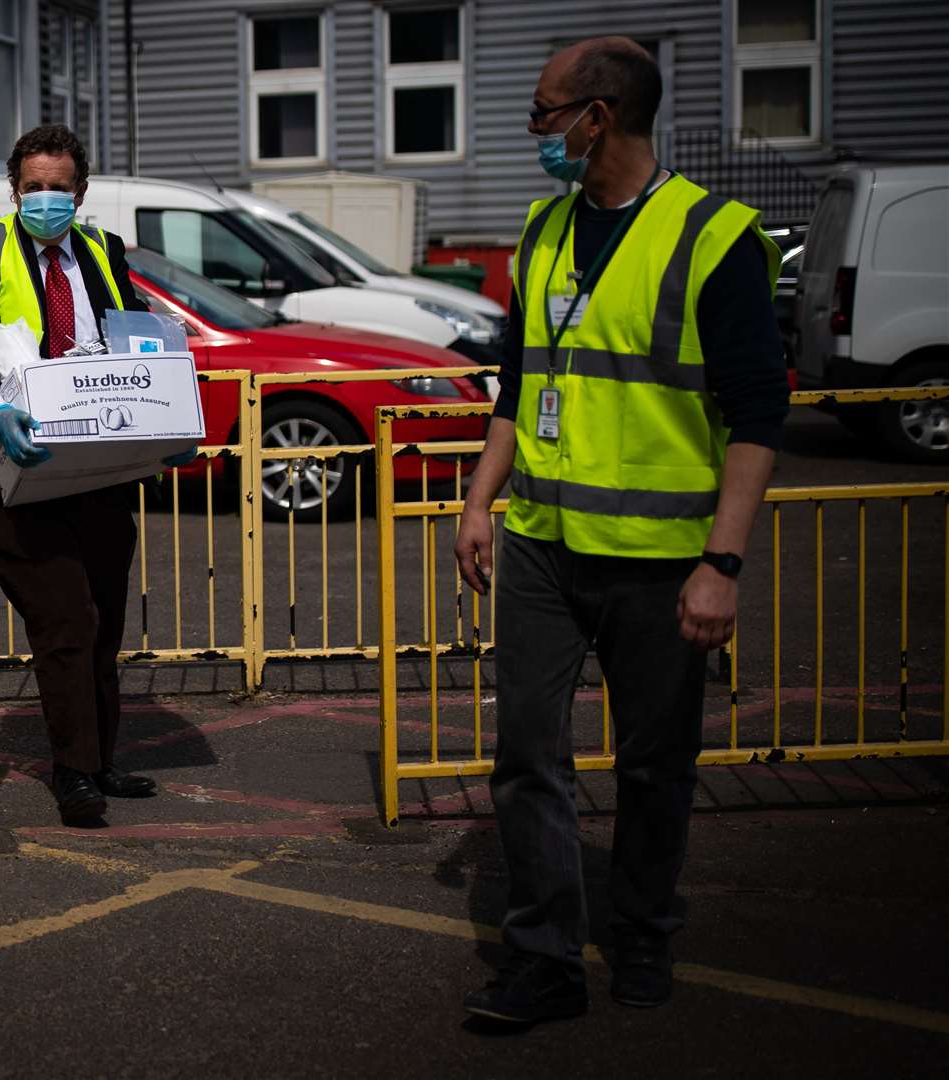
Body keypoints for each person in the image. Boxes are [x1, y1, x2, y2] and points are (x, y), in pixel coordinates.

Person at [453, 38, 789, 1023]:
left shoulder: (712, 236)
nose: (535, 131)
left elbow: (759, 415)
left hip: (661, 563)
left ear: (596, 117)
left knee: (653, 766)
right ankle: (545, 959)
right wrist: (480, 500)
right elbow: (520, 383)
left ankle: (642, 935)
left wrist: (721, 563)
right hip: (543, 549)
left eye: (543, 111)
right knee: (526, 756)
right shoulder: (542, 230)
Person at [0, 124, 194, 824]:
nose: (45, 199)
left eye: (59, 188)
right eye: (33, 188)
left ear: (80, 193)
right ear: (14, 190)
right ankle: (73, 772)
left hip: (101, 472)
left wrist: (168, 425)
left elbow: (136, 335)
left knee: (104, 623)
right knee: (65, 621)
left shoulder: (102, 252)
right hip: (17, 471)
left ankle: (101, 760)